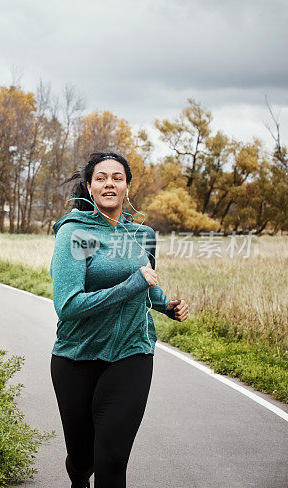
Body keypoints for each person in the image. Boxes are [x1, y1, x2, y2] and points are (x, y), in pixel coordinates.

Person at [49, 151, 189, 488]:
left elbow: (144, 280)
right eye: (101, 177)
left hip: (132, 351)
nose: (109, 183)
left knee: (111, 459)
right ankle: (79, 478)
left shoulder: (141, 235)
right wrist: (132, 285)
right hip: (77, 355)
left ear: (127, 186)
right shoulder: (79, 234)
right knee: (84, 458)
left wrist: (166, 305)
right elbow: (68, 305)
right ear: (89, 186)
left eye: (117, 177)